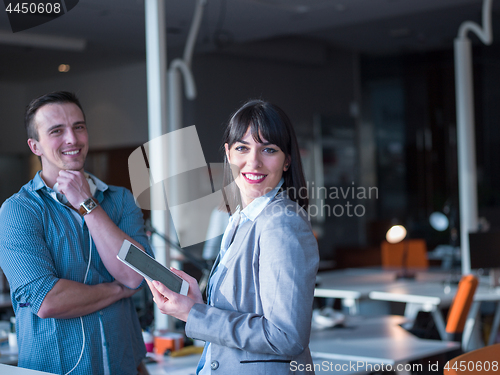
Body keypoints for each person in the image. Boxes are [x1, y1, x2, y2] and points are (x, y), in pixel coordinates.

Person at [148, 99, 319, 374]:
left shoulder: (281, 224)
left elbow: (287, 336)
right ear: (228, 154)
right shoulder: (241, 218)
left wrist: (194, 315)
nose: (253, 161)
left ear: (287, 161)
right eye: (242, 148)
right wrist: (198, 304)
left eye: (269, 150)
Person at [0, 91, 152, 375]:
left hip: (126, 366)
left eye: (79, 127)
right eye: (57, 131)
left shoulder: (120, 200)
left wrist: (88, 204)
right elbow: (47, 300)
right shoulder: (18, 211)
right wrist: (119, 290)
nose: (73, 139)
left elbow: (135, 274)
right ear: (35, 146)